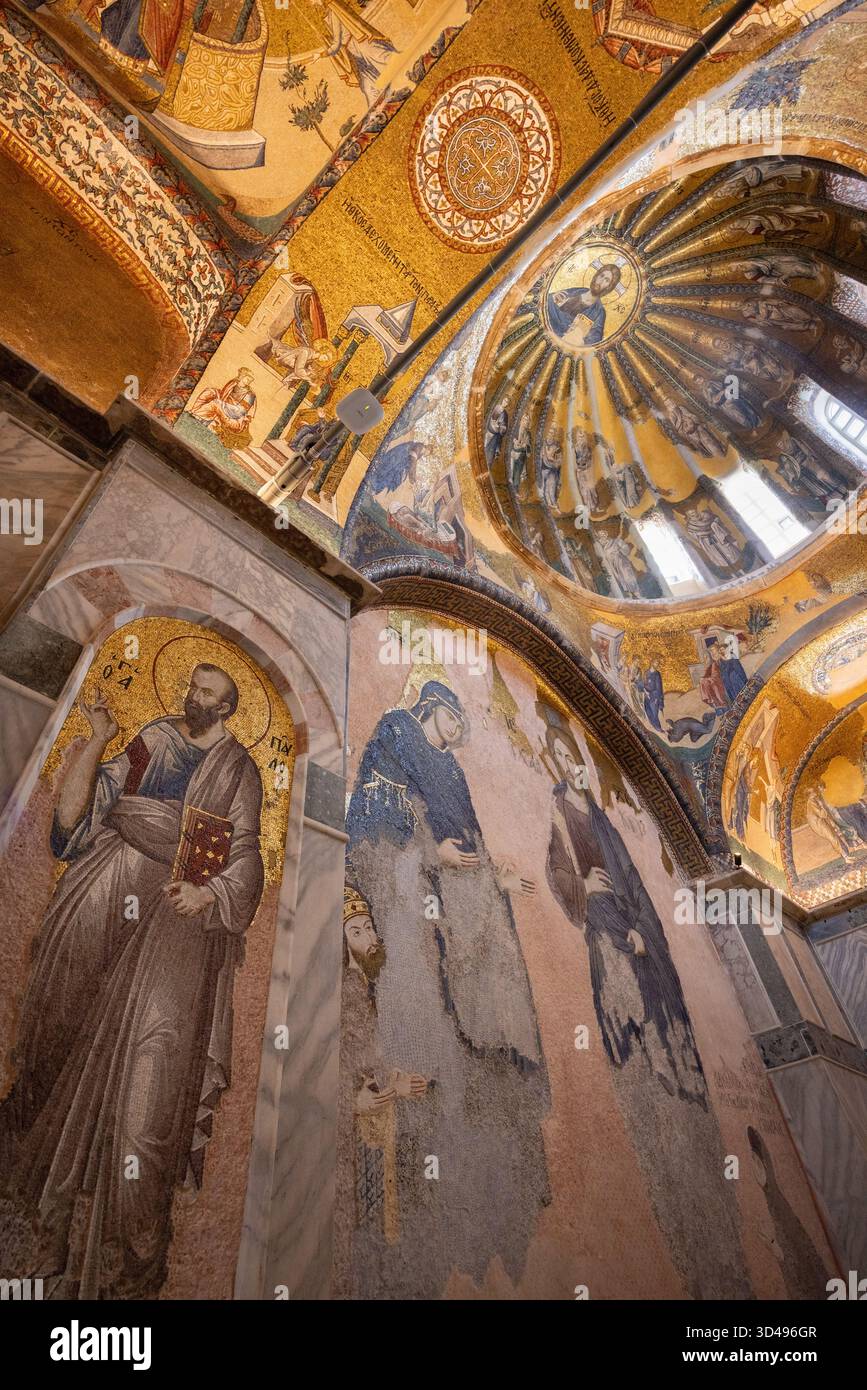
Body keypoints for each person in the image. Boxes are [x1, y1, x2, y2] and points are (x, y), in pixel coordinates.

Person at [0, 665, 264, 1298]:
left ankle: (123, 1279)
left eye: (206, 694)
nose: (191, 698)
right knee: (53, 1045)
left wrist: (214, 892)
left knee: (150, 1094)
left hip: (174, 925)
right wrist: (94, 740)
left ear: (227, 709)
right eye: (191, 687)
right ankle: (30, 1240)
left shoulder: (239, 770)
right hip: (102, 891)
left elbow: (247, 852)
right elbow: (78, 820)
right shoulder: (151, 738)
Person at [344, 680, 549, 1297]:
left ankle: (475, 1191)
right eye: (456, 722)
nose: (461, 734)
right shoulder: (397, 734)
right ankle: (411, 1215)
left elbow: (465, 848)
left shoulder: (451, 775)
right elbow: (374, 831)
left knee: (470, 1048)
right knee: (420, 1033)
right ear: (438, 711)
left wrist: (491, 875)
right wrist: (432, 855)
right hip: (407, 918)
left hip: (450, 922)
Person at [542, 709, 752, 1298]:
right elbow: (558, 870)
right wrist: (584, 893)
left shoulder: (605, 821)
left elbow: (633, 880)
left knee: (663, 1039)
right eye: (559, 761)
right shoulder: (559, 812)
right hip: (600, 929)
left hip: (631, 928)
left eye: (574, 760)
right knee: (626, 1033)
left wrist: (637, 925)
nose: (569, 768)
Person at [547, 264, 621, 344]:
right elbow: (546, 302)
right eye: (601, 276)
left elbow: (593, 342)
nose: (601, 281)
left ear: (608, 287)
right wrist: (552, 298)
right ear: (596, 276)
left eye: (606, 280)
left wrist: (580, 334)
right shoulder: (575, 291)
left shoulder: (599, 313)